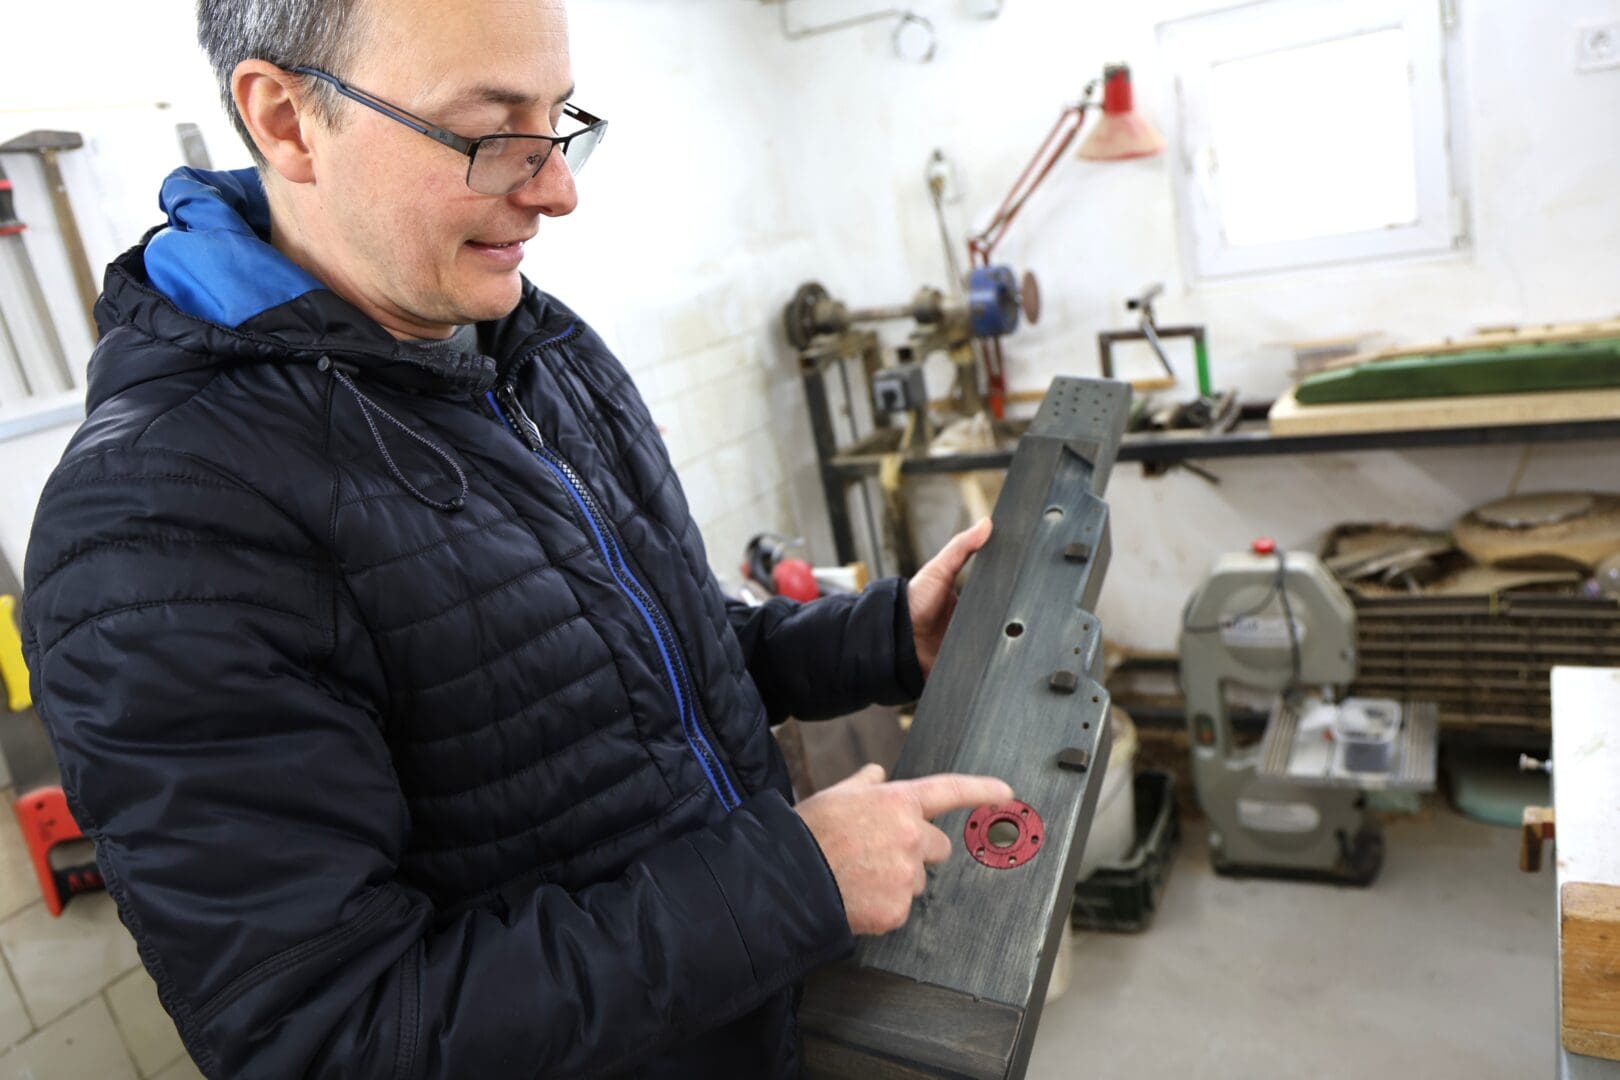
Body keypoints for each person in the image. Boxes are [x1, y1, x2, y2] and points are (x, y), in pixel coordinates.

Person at [20, 0, 1012, 1075]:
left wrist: (882, 637)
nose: (557, 189)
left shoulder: (527, 348)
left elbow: (655, 664)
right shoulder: (160, 523)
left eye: (557, 121)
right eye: (490, 134)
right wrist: (784, 884)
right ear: (287, 120)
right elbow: (328, 1040)